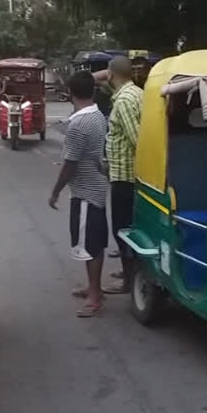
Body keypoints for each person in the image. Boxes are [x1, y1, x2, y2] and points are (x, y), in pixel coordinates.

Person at [48, 70, 109, 317]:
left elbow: (69, 164)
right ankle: (94, 287)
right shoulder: (98, 115)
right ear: (93, 91)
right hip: (97, 186)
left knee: (88, 245)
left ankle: (94, 296)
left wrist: (55, 192)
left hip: (84, 191)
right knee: (96, 241)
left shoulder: (78, 123)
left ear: (70, 93)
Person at [103, 56, 144, 294]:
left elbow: (137, 139)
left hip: (125, 176)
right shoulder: (136, 93)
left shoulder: (125, 101)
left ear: (111, 74)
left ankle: (129, 280)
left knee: (122, 229)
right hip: (128, 175)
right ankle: (129, 271)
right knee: (128, 226)